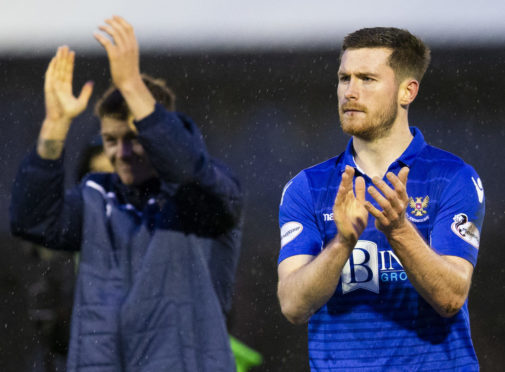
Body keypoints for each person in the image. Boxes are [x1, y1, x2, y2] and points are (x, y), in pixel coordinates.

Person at [10, 16, 242, 372]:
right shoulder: (95, 198)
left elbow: (188, 172)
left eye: (134, 138)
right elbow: (33, 221)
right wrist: (55, 124)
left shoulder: (203, 193)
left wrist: (133, 86)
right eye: (111, 140)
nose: (122, 152)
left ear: (159, 129)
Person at [277, 27, 484, 370]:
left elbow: (451, 298)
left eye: (367, 79)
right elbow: (292, 305)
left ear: (407, 91)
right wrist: (343, 242)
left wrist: (399, 230)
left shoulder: (453, 178)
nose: (350, 92)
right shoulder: (307, 188)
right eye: (345, 78)